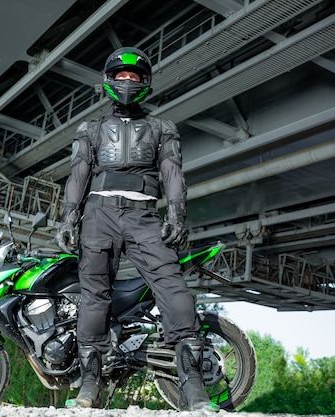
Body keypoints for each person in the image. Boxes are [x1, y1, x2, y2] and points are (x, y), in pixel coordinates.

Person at [55, 47, 220, 412]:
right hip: (97, 216)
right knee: (94, 297)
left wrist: (177, 215)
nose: (127, 83)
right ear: (109, 80)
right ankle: (90, 385)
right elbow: (78, 174)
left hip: (144, 216)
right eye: (121, 77)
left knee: (173, 287)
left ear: (145, 82)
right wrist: (68, 217)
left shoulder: (163, 127)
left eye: (134, 78)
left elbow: (173, 174)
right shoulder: (90, 128)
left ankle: (193, 387)